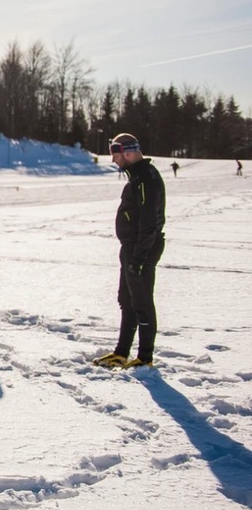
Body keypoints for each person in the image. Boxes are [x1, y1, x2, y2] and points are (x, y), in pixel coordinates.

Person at [93, 134, 166, 369]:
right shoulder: (137, 177)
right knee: (127, 300)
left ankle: (145, 357)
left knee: (142, 302)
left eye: (116, 154)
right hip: (132, 247)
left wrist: (138, 258)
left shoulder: (146, 178)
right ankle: (121, 352)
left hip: (142, 249)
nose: (113, 159)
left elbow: (149, 223)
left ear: (128, 151)